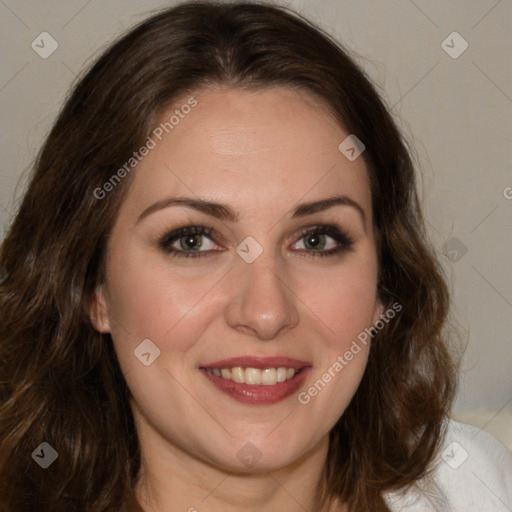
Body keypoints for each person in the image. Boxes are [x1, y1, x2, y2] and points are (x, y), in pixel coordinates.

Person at [0, 1, 510, 511]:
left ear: (384, 284)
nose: (266, 312)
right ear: (93, 288)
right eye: (193, 240)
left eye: (316, 240)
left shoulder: (473, 485)